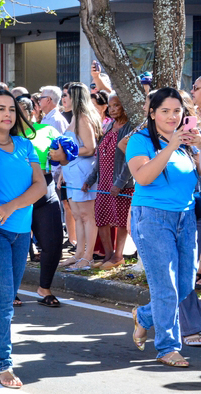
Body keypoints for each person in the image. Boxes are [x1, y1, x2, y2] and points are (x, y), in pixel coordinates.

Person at [0, 90, 46, 388]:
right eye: (0, 108)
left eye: (12, 109)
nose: (7, 114)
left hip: (21, 230)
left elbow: (40, 186)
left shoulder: (25, 146)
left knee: (4, 296)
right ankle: (5, 364)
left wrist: (11, 206)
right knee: (5, 301)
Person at [127, 87, 201, 367]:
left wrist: (198, 145)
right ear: (152, 113)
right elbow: (143, 177)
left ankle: (144, 316)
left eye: (177, 110)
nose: (172, 116)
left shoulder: (188, 141)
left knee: (184, 285)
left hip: (186, 217)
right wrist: (169, 146)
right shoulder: (140, 140)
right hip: (153, 218)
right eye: (165, 111)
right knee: (165, 286)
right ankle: (168, 347)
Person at [17, 97, 63, 307]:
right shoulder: (5, 135)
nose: (17, 115)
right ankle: (10, 290)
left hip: (45, 187)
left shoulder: (48, 130)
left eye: (23, 110)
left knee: (53, 244)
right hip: (15, 192)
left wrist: (62, 154)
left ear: (33, 111)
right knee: (13, 245)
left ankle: (44, 288)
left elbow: (63, 157)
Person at [53, 83, 102, 272]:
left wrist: (67, 155)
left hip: (83, 172)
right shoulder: (74, 117)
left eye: (67, 95)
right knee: (77, 216)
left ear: (76, 97)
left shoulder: (83, 118)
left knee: (87, 216)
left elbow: (90, 148)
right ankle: (79, 254)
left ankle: (87, 257)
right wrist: (63, 171)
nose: (64, 99)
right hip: (72, 172)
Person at [82, 93, 134, 270]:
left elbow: (131, 160)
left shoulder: (129, 129)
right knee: (101, 218)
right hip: (104, 181)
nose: (111, 109)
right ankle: (108, 255)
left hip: (120, 183)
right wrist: (90, 179)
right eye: (110, 106)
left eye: (116, 106)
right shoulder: (110, 126)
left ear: (124, 106)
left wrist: (120, 183)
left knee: (120, 220)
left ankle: (118, 256)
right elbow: (100, 156)